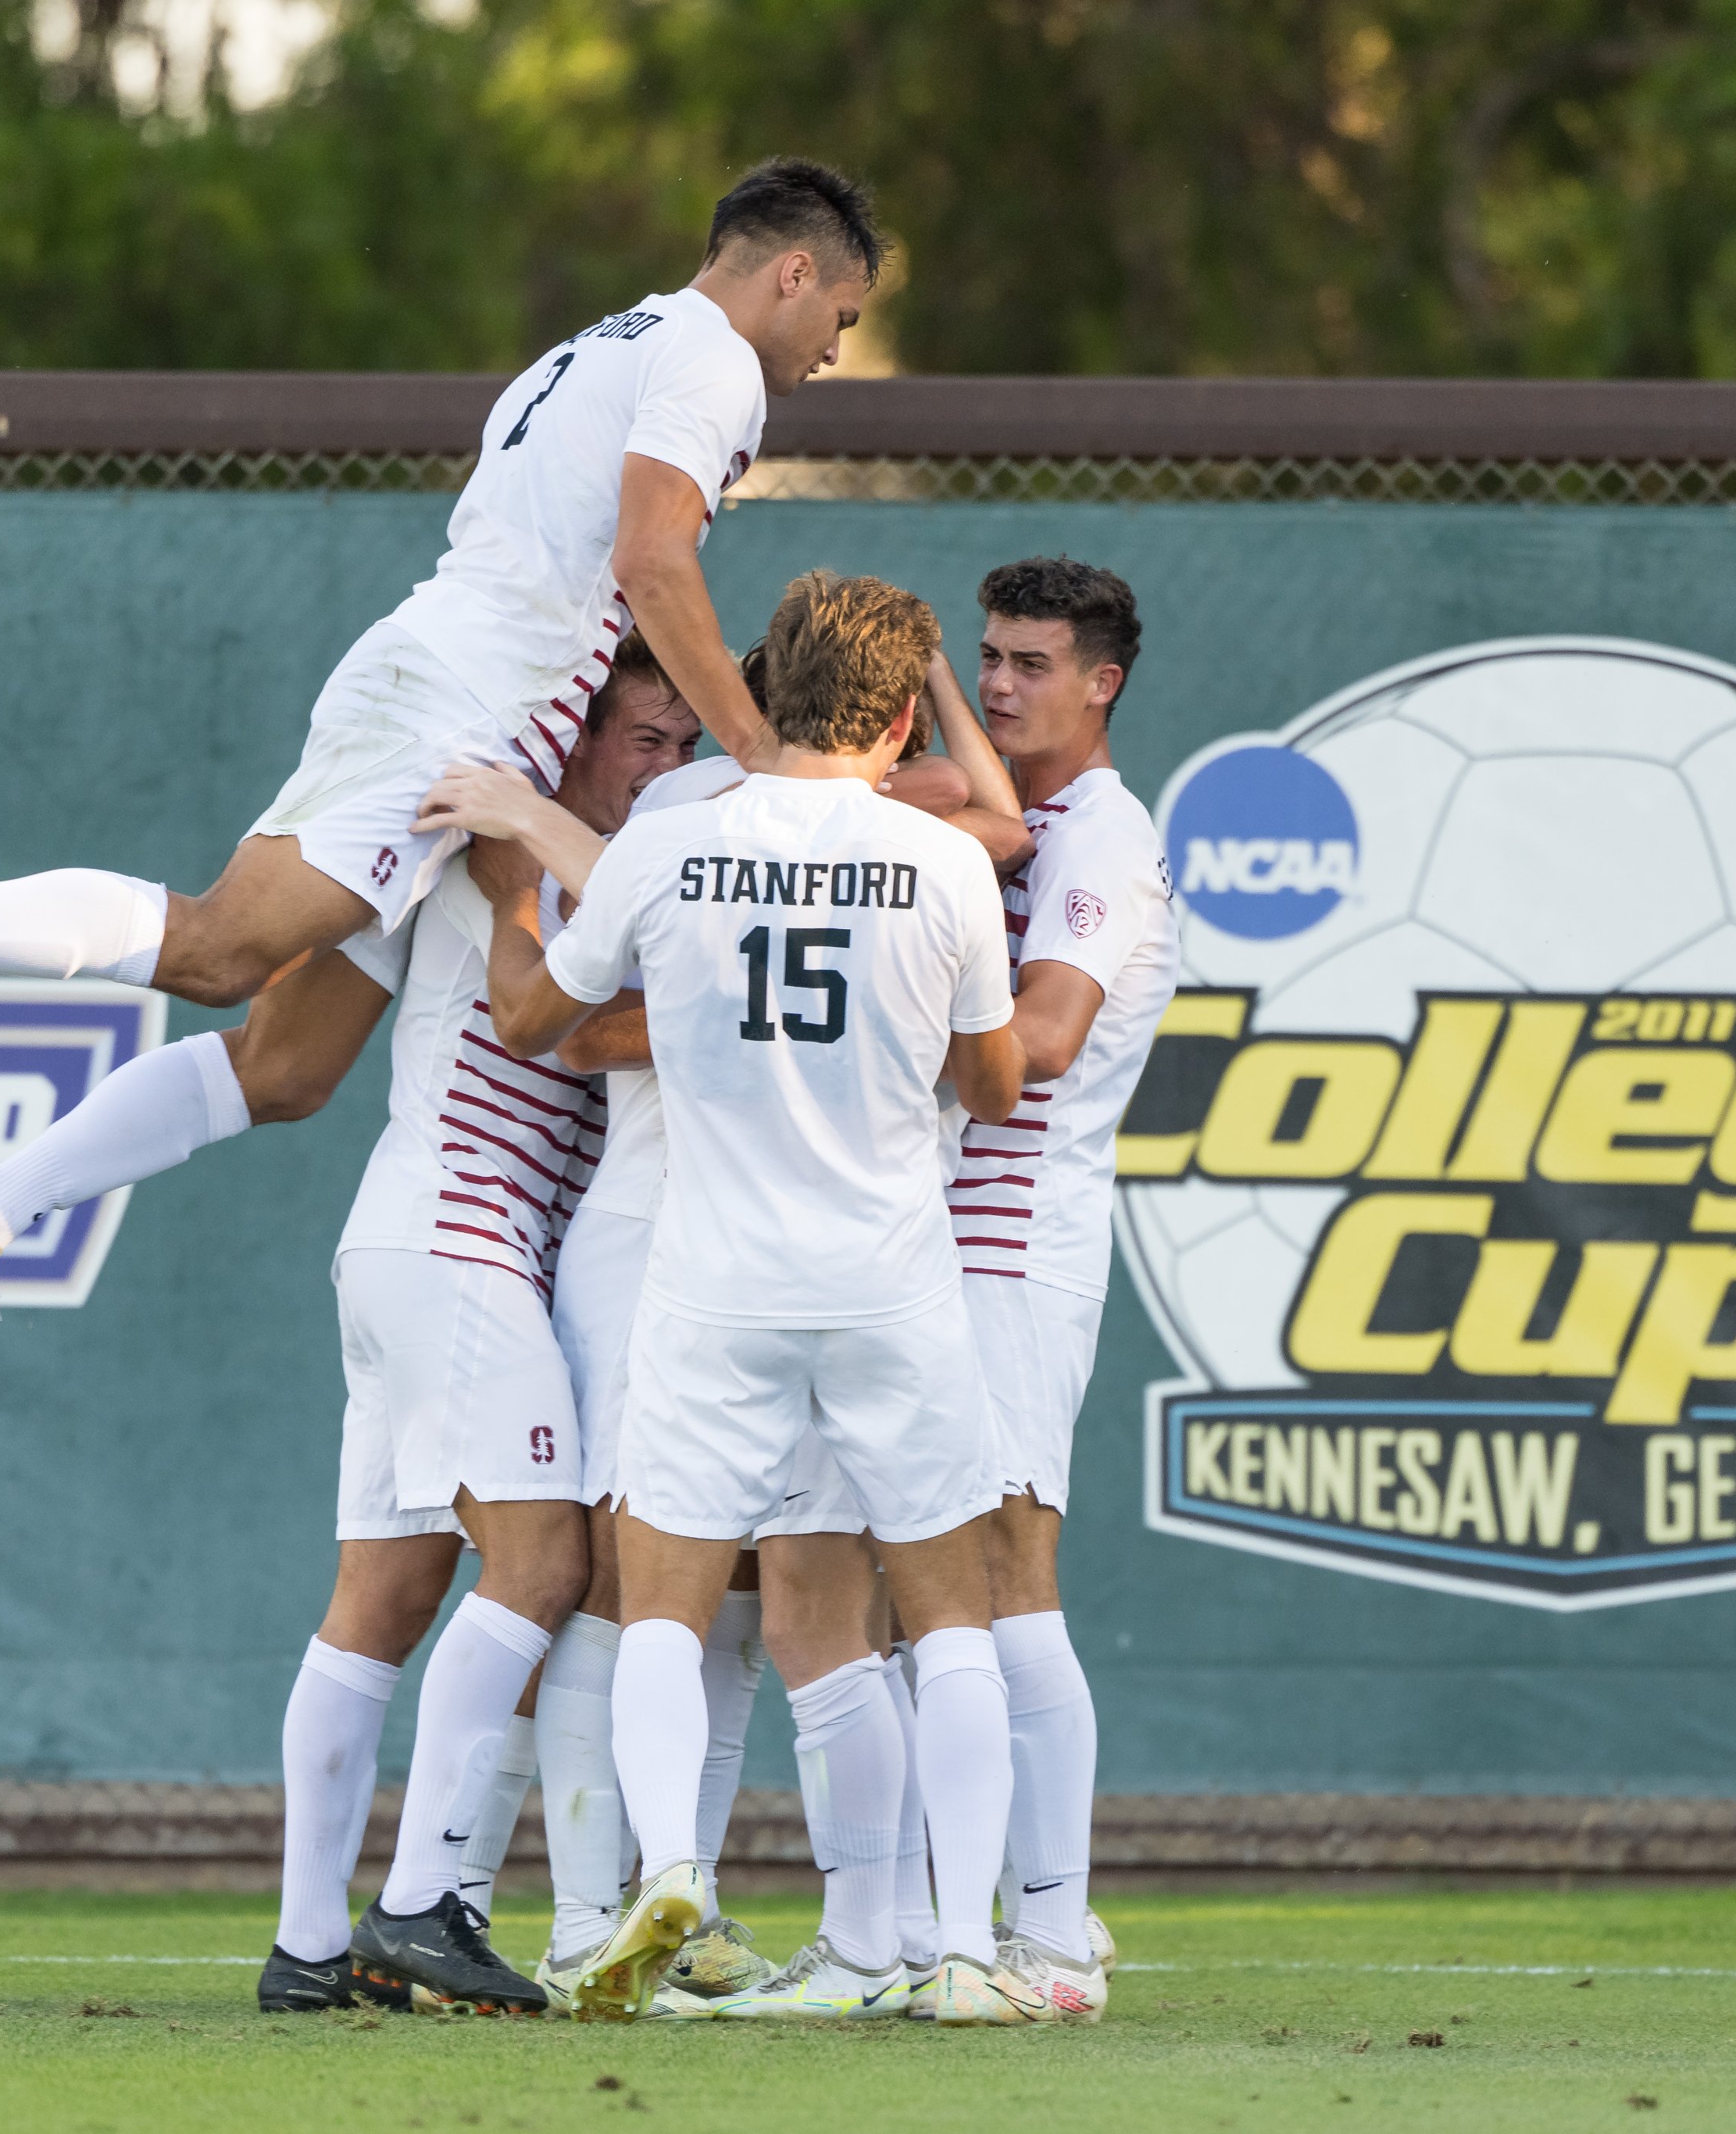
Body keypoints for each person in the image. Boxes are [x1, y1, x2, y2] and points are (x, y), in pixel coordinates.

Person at [0, 156, 890, 1405]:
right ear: (794, 272)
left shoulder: (610, 338)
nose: (836, 350)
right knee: (221, 951)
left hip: (466, 711)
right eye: (842, 317)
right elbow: (652, 561)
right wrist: (762, 759)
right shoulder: (713, 361)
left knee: (286, 1070)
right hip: (456, 712)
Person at [468, 570, 1045, 2026]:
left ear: (764, 692)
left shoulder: (673, 844)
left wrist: (511, 883)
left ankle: (669, 1871)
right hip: (891, 1284)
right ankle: (959, 1951)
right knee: (948, 1621)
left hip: (715, 1283)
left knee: (662, 1612)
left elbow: (538, 1017)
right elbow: (994, 1085)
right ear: (902, 716)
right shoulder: (944, 864)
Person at [252, 659, 698, 2018]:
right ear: (574, 738)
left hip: (416, 1240)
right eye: (644, 736)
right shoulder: (508, 846)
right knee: (546, 1560)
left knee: (382, 1604)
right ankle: (419, 1903)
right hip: (457, 1234)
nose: (665, 767)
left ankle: (308, 1949)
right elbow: (559, 1024)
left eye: (684, 744)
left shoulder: (587, 860)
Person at [955, 556, 1174, 2021]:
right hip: (937, 1245)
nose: (999, 684)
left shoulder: (1101, 837)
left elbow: (1037, 1042)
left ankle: (1049, 1929)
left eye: (1031, 664)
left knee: (1007, 1570)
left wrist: (854, 1027)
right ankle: (982, 1913)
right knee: (923, 1592)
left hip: (1019, 1246)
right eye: (988, 656)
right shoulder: (1001, 815)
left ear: (1103, 684)